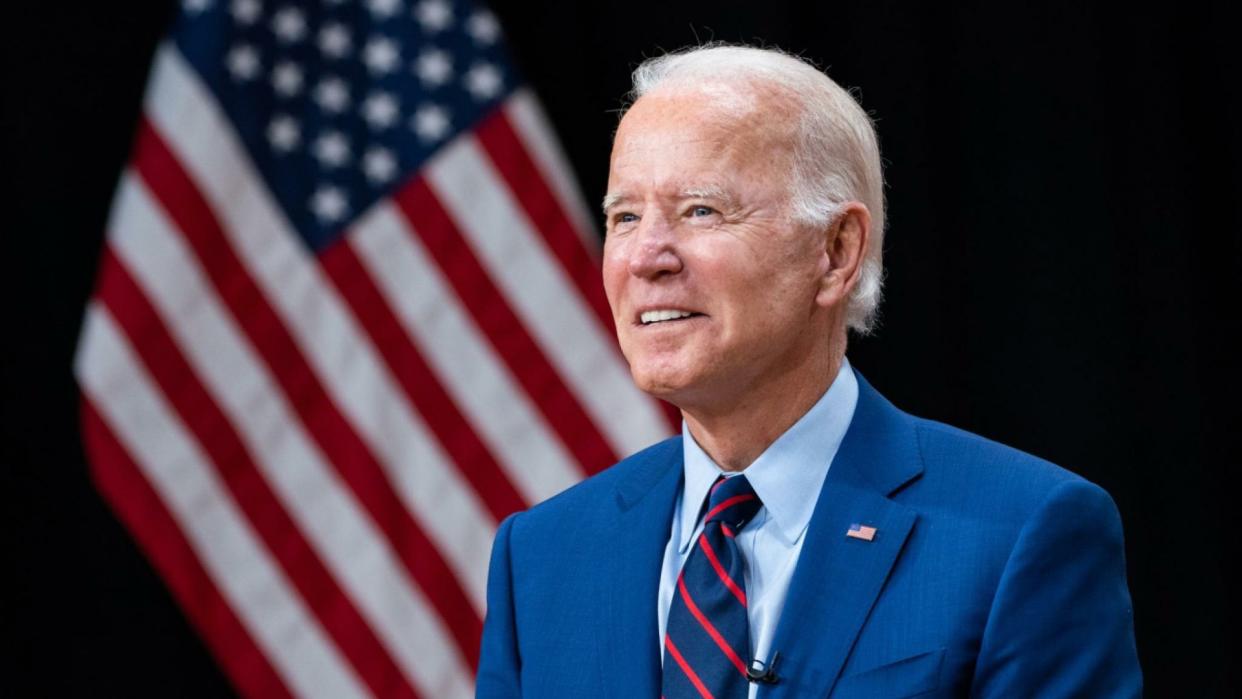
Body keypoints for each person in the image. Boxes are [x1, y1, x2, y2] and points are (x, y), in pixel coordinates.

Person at [476, 44, 1141, 698]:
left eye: (701, 210)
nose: (645, 257)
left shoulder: (1020, 533)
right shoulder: (541, 557)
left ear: (836, 250)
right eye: (624, 216)